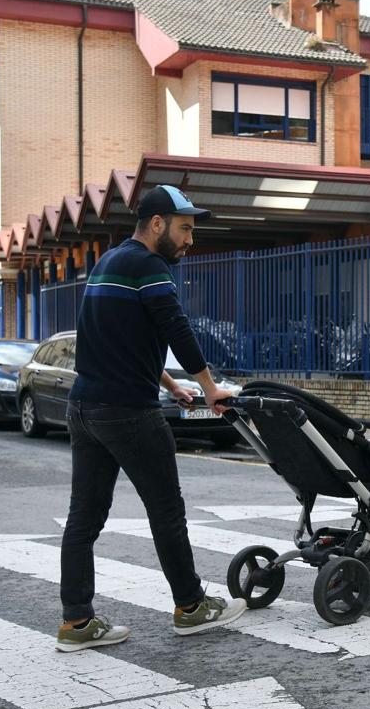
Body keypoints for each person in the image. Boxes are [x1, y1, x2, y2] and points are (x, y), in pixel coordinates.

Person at [56, 184, 246, 653]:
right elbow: (173, 325)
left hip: (85, 408)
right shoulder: (149, 264)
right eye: (184, 229)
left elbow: (117, 338)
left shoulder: (109, 262)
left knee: (84, 519)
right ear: (157, 224)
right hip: (127, 412)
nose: (189, 240)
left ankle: (76, 621)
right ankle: (191, 606)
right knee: (166, 510)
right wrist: (208, 386)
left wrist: (170, 385)